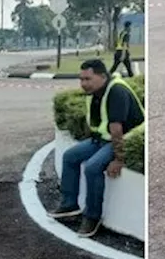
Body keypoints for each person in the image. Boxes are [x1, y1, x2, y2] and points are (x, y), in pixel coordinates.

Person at [49, 59, 145, 237]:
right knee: (70, 156)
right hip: (102, 139)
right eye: (81, 79)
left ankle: (92, 217)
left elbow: (117, 129)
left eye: (88, 79)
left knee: (93, 167)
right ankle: (69, 204)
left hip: (123, 138)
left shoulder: (117, 91)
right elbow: (96, 121)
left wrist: (118, 159)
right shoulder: (95, 92)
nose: (83, 84)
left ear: (102, 76)